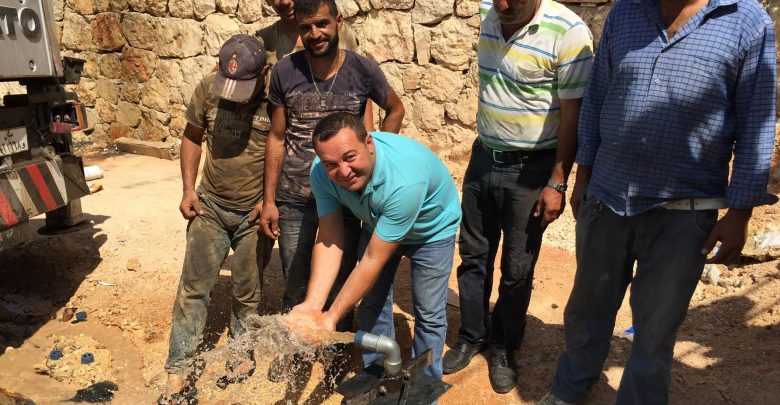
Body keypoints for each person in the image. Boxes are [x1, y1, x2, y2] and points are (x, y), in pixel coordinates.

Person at [538, 0, 777, 403]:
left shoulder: (746, 21)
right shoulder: (625, 12)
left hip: (684, 215)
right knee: (587, 309)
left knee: (655, 331)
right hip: (607, 200)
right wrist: (583, 176)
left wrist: (739, 213)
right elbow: (597, 97)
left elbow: (756, 122)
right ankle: (570, 387)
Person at [441, 0, 594, 394]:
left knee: (517, 266)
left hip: (531, 170)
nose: (504, 5)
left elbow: (573, 116)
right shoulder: (486, 12)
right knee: (473, 254)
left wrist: (557, 181)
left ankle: (504, 346)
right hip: (483, 158)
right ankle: (472, 335)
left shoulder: (569, 33)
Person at [258, 0, 404, 327]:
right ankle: (297, 345)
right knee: (295, 283)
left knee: (340, 284)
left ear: (338, 21)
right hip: (295, 197)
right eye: (306, 28)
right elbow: (277, 137)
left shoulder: (362, 70)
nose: (315, 34)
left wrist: (377, 155)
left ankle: (335, 349)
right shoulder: (284, 71)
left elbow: (395, 109)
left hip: (345, 196)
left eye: (322, 24)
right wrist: (269, 201)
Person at [289, 112, 462, 381]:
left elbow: (372, 259)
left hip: (431, 230)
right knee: (372, 302)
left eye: (350, 157)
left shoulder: (404, 180)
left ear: (368, 143)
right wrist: (313, 304)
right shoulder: (321, 172)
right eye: (331, 164)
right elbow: (330, 237)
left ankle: (424, 386)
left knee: (429, 313)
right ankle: (377, 376)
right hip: (379, 219)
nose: (343, 172)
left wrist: (331, 317)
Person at [160, 34, 274, 401]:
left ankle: (239, 354)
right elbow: (192, 136)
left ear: (265, 72)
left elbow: (284, 148)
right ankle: (178, 369)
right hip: (209, 207)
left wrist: (269, 200)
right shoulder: (208, 89)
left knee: (246, 291)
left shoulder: (276, 99)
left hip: (253, 215)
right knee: (193, 289)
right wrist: (187, 189)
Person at [256, 0, 375, 130]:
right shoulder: (263, 41)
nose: (285, 2)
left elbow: (360, 84)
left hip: (340, 132)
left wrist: (369, 131)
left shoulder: (340, 32)